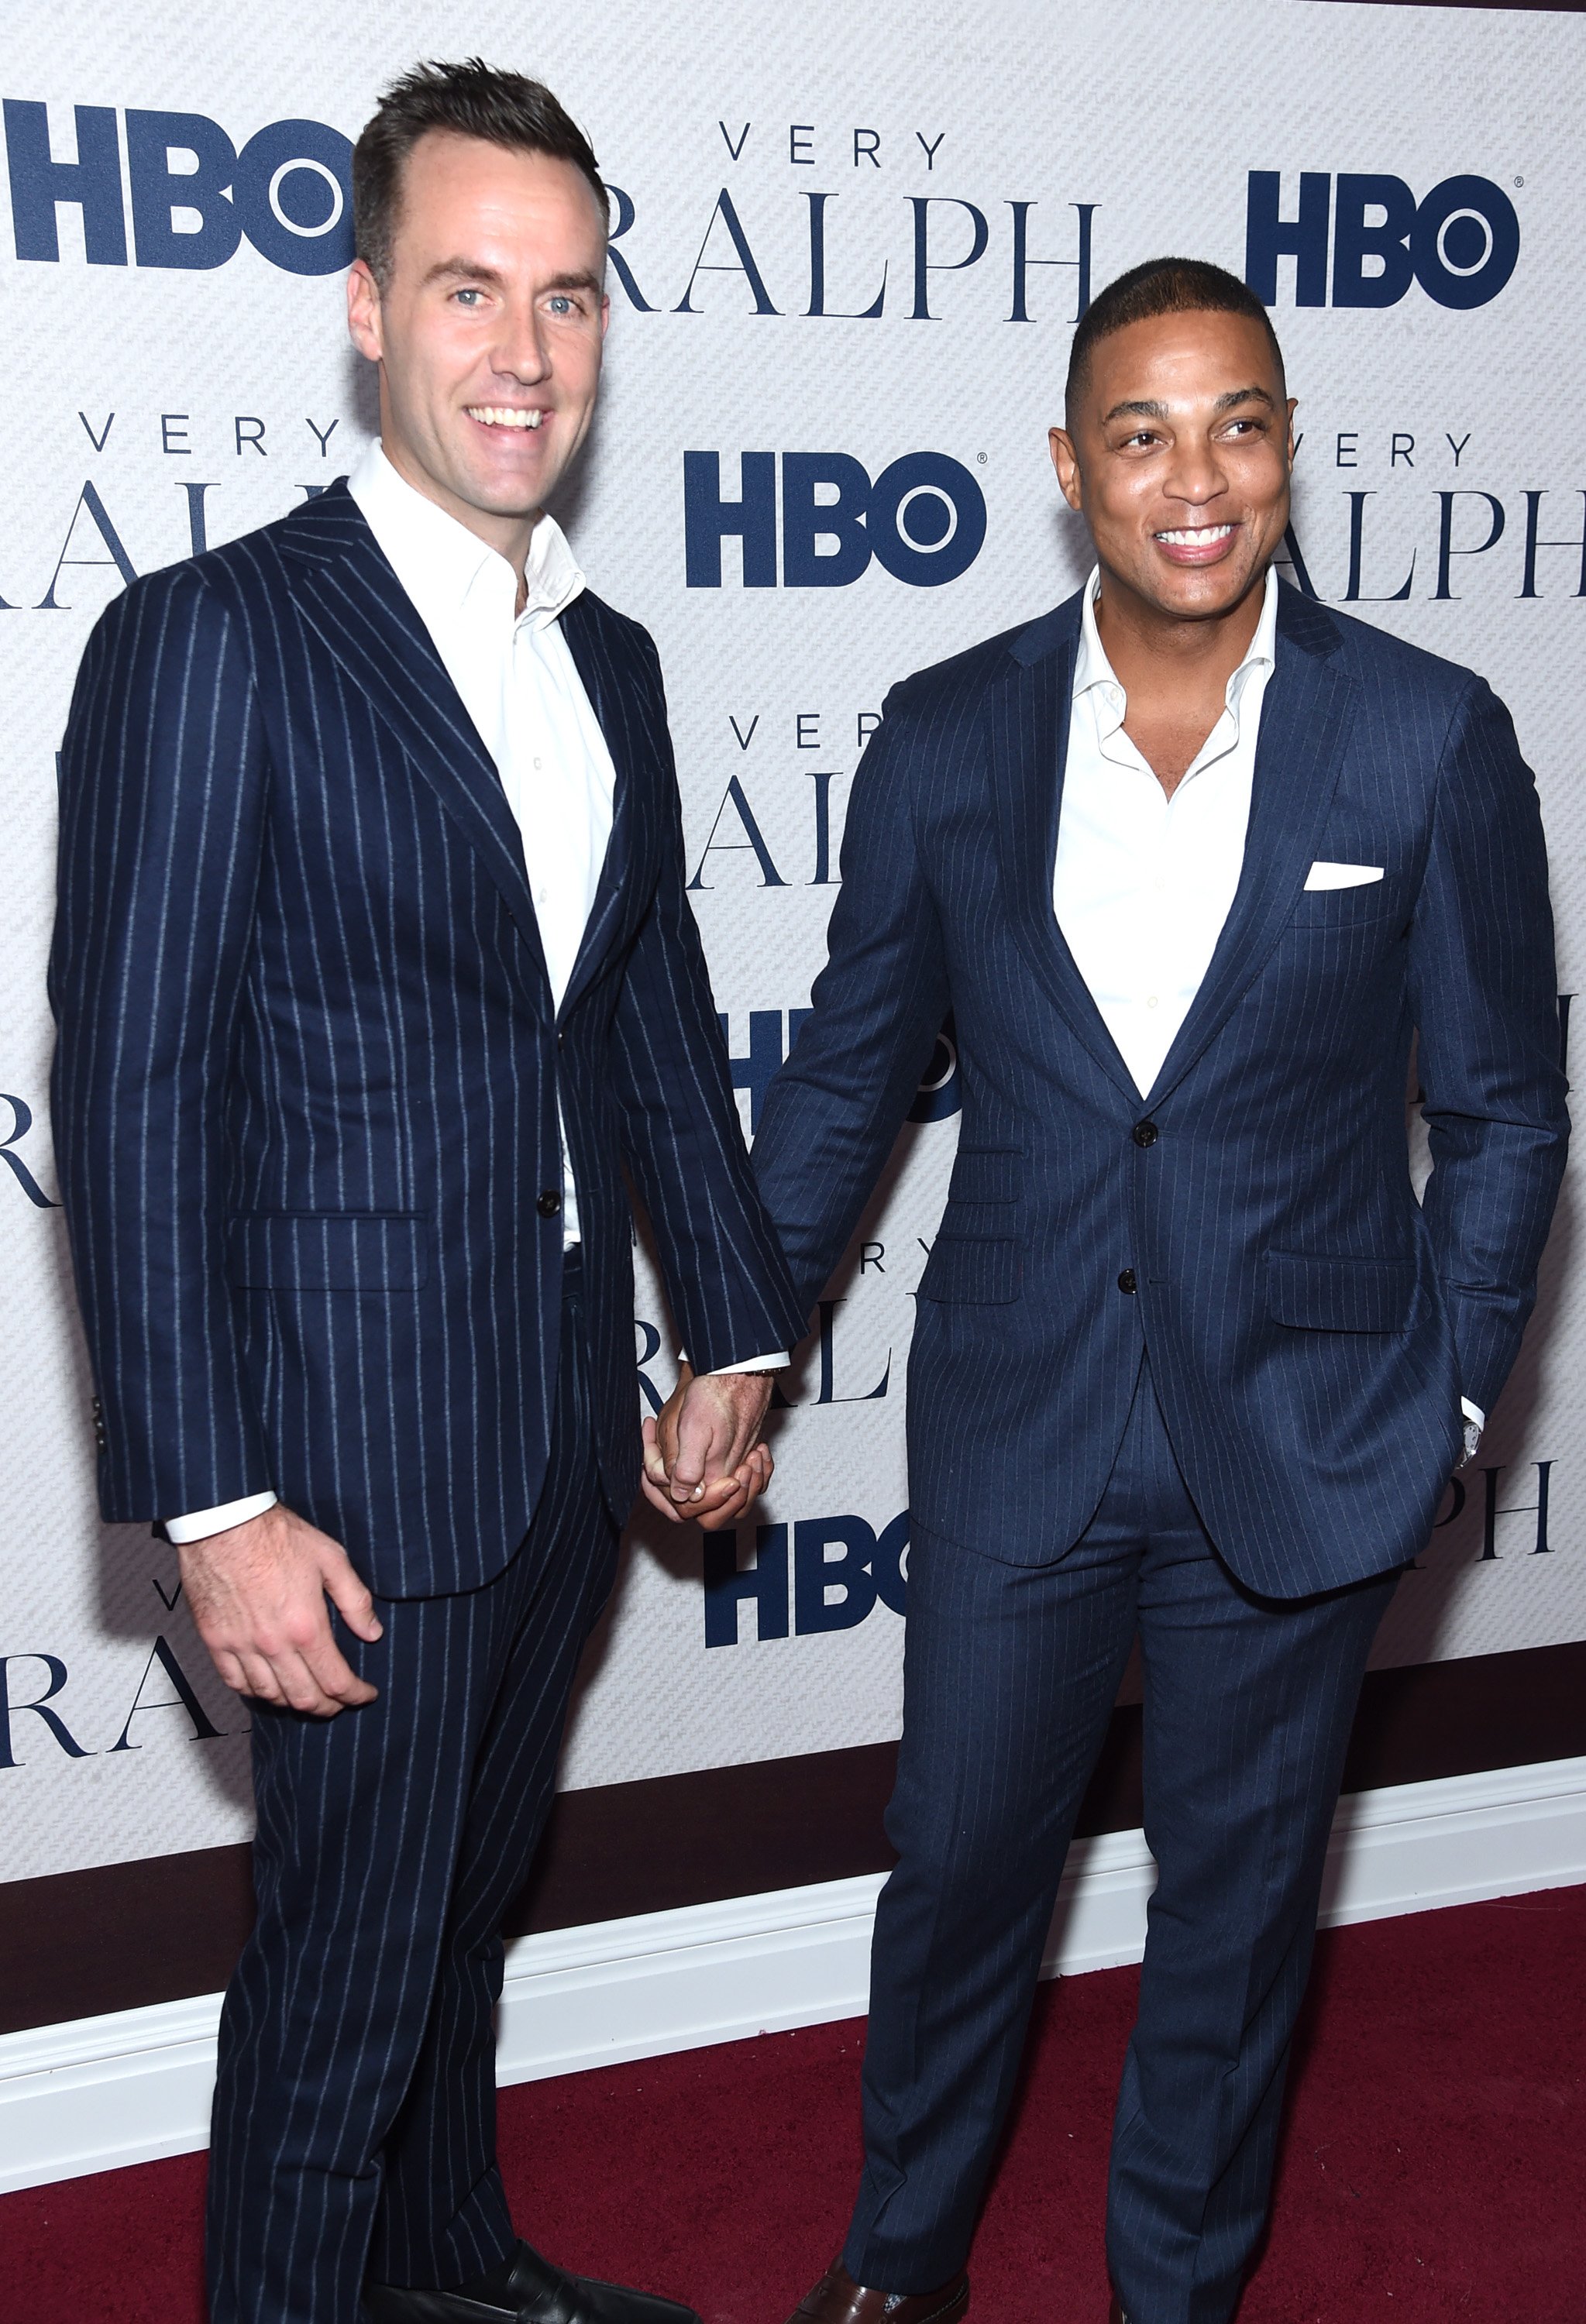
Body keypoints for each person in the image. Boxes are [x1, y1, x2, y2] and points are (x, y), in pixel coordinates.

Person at [664, 259, 1568, 2322]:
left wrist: (1444, 1408)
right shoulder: (951, 734)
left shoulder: (1427, 739)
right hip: (1025, 1428)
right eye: (1142, 433)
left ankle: (1180, 2292)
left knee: (1239, 1927)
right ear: (1071, 467)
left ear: (1286, 450)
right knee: (962, 1873)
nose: (1195, 478)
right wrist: (738, 1336)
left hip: (1306, 1433)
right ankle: (899, 2265)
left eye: (1237, 424)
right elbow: (843, 1087)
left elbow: (1512, 1110)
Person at [49, 58, 802, 2324]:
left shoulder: (613, 664)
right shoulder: (216, 641)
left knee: (467, 1926)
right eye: (469, 290)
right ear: (369, 309)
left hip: (560, 1443)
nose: (524, 351)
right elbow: (138, 1093)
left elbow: (644, 1013)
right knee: (336, 2009)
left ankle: (457, 2269)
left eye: (567, 300)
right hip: (345, 1484)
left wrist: (741, 1327)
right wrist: (207, 1505)